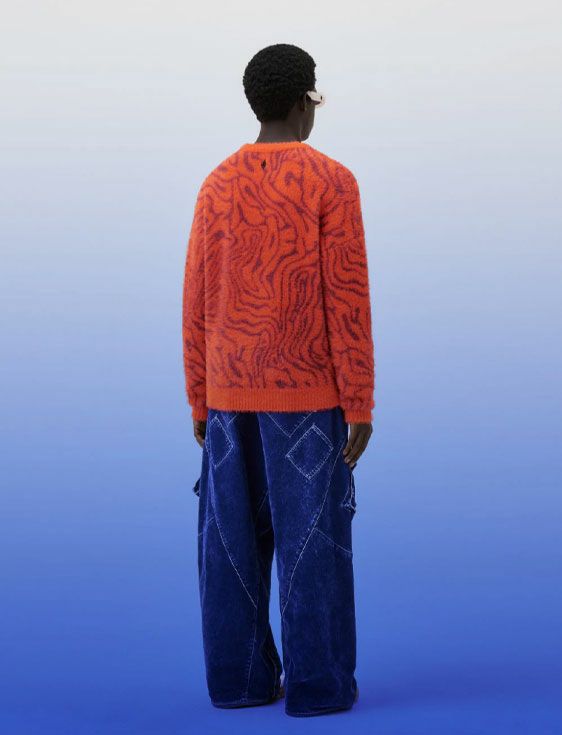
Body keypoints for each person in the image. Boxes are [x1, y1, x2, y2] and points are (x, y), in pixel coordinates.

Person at [182, 43, 375, 717]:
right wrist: (360, 400)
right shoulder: (332, 181)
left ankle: (238, 683)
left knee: (228, 549)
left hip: (228, 395)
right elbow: (346, 298)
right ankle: (319, 687)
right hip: (308, 398)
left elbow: (196, 296)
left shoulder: (216, 183)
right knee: (313, 546)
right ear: (303, 103)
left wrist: (198, 396)